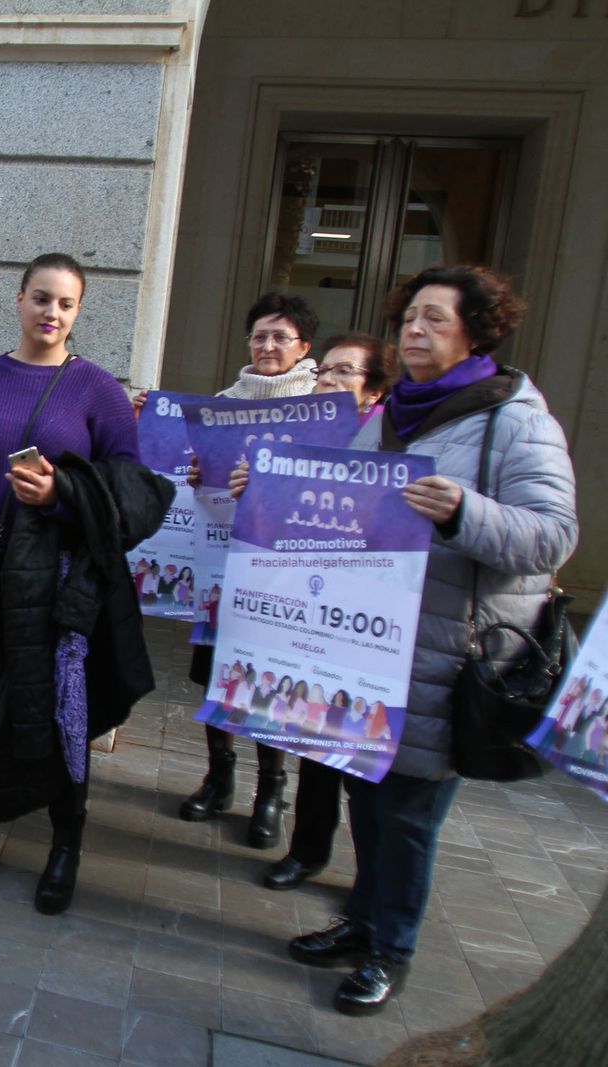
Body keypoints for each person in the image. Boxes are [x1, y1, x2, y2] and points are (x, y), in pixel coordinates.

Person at [288, 265, 576, 1015]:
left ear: (477, 332)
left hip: (448, 656)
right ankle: (361, 919)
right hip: (366, 647)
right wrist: (273, 498)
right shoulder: (387, 414)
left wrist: (463, 513)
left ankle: (392, 950)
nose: (414, 331)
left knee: (410, 816)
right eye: (409, 318)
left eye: (435, 320)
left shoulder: (516, 416)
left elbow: (554, 535)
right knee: (367, 797)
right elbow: (334, 504)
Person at [0, 253, 167, 914]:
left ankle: (65, 842)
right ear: (19, 299)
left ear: (77, 313)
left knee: (61, 707)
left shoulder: (99, 391)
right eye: (41, 299)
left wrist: (61, 494)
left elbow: (132, 493)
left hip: (57, 580)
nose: (51, 313)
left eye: (65, 304)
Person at [240, 331, 400, 890]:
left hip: (364, 612)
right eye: (326, 371)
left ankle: (371, 880)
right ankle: (308, 849)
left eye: (345, 373)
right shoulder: (294, 436)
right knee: (311, 729)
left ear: (373, 391)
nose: (329, 382)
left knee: (355, 743)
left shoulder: (389, 442)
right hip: (304, 602)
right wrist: (248, 491)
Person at [175, 292, 321, 849]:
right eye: (259, 335)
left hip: (286, 575)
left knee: (271, 684)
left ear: (303, 347)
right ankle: (219, 778)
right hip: (224, 564)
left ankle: (271, 793)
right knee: (219, 677)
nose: (266, 346)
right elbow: (201, 483)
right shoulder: (220, 405)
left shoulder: (320, 409)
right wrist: (195, 475)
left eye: (280, 337)